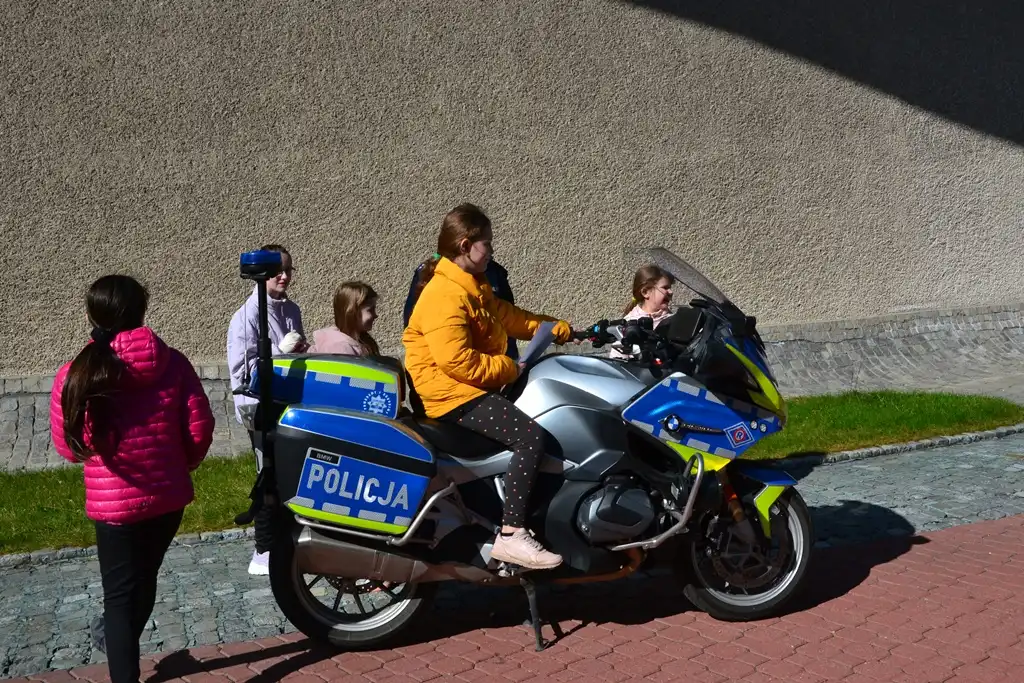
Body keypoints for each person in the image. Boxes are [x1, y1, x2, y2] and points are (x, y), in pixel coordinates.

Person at [49, 275, 215, 683]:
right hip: (167, 498)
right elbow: (200, 426)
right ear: (142, 311)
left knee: (120, 597)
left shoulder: (77, 372)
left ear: (94, 315)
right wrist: (184, 464)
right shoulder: (173, 362)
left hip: (115, 507)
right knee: (144, 578)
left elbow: (70, 448)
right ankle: (121, 640)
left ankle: (122, 662)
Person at [402, 203, 572, 570]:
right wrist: (511, 367)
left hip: (463, 389)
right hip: (450, 395)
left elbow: (507, 316)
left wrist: (555, 327)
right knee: (531, 438)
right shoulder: (444, 294)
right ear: (466, 245)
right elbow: (457, 360)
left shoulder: (471, 286)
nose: (492, 251)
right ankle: (512, 534)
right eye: (488, 245)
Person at [226, 243, 304, 575]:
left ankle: (289, 537)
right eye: (276, 271)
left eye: (288, 269)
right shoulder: (246, 317)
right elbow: (242, 373)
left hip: (287, 400)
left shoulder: (291, 310)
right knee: (267, 473)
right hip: (259, 406)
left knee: (291, 471)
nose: (283, 276)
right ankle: (264, 550)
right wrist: (278, 354)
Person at [404, 254, 519, 360]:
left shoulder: (493, 272)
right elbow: (412, 322)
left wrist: (510, 362)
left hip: (489, 363)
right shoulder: (429, 270)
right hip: (441, 364)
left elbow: (508, 322)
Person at [609, 265, 675, 360]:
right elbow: (618, 360)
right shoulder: (629, 323)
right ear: (645, 292)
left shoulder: (673, 319)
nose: (671, 292)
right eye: (665, 287)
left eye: (670, 287)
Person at [309, 281, 380, 355]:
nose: (376, 315)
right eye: (370, 310)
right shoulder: (340, 350)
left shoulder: (364, 340)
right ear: (352, 313)